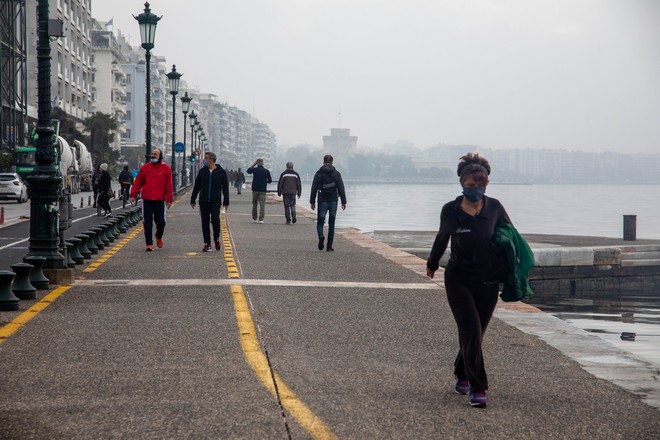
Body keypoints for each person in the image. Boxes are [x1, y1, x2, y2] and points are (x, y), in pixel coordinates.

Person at [426, 153, 512, 408]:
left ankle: (462, 372)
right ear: (462, 183)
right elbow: (442, 238)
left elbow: (511, 240)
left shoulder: (494, 207)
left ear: (486, 184)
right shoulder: (451, 211)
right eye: (471, 186)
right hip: (458, 280)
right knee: (471, 331)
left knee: (477, 334)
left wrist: (513, 272)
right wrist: (432, 263)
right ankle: (479, 387)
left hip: (488, 282)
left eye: (480, 185)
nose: (475, 190)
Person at [130, 148, 173, 252]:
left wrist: (169, 199)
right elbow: (138, 182)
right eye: (152, 154)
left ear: (160, 156)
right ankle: (149, 243)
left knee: (161, 222)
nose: (153, 155)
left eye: (156, 154)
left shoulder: (166, 168)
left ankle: (158, 236)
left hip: (160, 200)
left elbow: (169, 185)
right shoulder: (145, 168)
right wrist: (133, 195)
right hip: (147, 199)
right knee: (147, 222)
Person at [190, 151, 230, 252]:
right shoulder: (202, 171)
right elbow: (197, 186)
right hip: (203, 201)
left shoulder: (221, 172)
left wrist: (226, 201)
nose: (204, 159)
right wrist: (193, 199)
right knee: (205, 222)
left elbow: (225, 187)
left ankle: (216, 238)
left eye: (206, 158)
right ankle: (207, 243)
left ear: (212, 160)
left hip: (215, 201)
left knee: (215, 220)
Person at [310, 154, 346, 252]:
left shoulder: (319, 173)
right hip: (333, 200)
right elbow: (341, 187)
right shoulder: (336, 173)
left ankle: (321, 236)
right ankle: (329, 246)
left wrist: (312, 201)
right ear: (332, 162)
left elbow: (314, 188)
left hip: (322, 200)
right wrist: (344, 201)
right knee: (331, 224)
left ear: (323, 161)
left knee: (320, 221)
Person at [247, 158, 272, 223]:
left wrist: (254, 164)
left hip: (255, 189)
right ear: (263, 163)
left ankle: (254, 218)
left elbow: (248, 171)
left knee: (254, 204)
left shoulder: (255, 170)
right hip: (263, 190)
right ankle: (261, 219)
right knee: (262, 205)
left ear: (257, 163)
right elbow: (270, 181)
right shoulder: (266, 171)